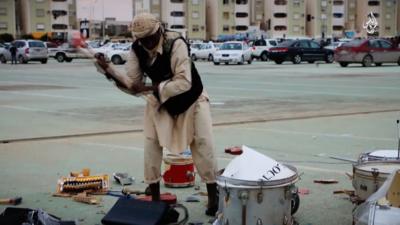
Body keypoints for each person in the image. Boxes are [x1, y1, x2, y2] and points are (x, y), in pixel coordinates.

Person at [94, 13, 219, 216]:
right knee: (150, 145)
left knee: (204, 144)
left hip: (192, 99)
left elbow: (184, 82)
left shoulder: (176, 43)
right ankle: (154, 198)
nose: (147, 43)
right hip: (161, 103)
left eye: (150, 38)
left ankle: (213, 195)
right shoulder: (137, 49)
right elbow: (133, 84)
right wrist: (109, 71)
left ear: (159, 30)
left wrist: (150, 88)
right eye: (142, 40)